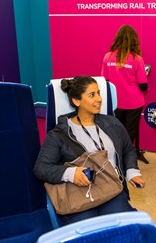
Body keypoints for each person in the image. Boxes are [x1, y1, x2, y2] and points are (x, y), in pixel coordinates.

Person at [34, 76, 145, 225]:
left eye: (99, 93)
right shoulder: (59, 134)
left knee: (119, 231)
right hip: (78, 193)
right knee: (91, 235)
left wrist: (132, 171)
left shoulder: (112, 123)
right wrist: (71, 174)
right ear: (76, 101)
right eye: (92, 95)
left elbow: (128, 149)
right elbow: (41, 168)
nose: (99, 99)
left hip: (111, 189)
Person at [101, 25, 149, 163]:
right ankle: (128, 161)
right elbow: (143, 85)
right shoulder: (137, 59)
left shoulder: (108, 57)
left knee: (116, 131)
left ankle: (116, 158)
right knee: (129, 133)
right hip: (134, 103)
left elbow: (106, 81)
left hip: (116, 102)